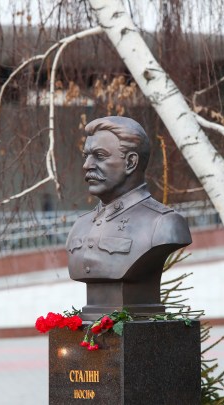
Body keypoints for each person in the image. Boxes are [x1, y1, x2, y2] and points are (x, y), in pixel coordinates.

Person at [66, 116, 192, 320]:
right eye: (86, 156)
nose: (87, 165)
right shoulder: (80, 225)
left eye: (99, 155)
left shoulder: (163, 223)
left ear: (131, 162)